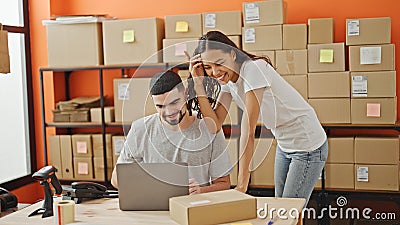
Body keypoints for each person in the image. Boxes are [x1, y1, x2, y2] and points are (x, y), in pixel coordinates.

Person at [188, 30, 328, 205]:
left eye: (219, 63)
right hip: (285, 145)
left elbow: (248, 130)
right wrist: (198, 84)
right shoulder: (228, 81)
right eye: (208, 67)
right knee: (282, 209)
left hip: (308, 144)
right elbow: (213, 125)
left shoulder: (254, 69)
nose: (215, 72)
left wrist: (241, 185)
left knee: (289, 211)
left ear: (232, 54)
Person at [111, 70, 232, 195]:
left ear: (185, 94)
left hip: (194, 207)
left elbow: (224, 183)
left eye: (174, 103)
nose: (169, 112)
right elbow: (115, 180)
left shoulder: (209, 127)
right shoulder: (140, 129)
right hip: (154, 208)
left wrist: (201, 190)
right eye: (160, 106)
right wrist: (147, 185)